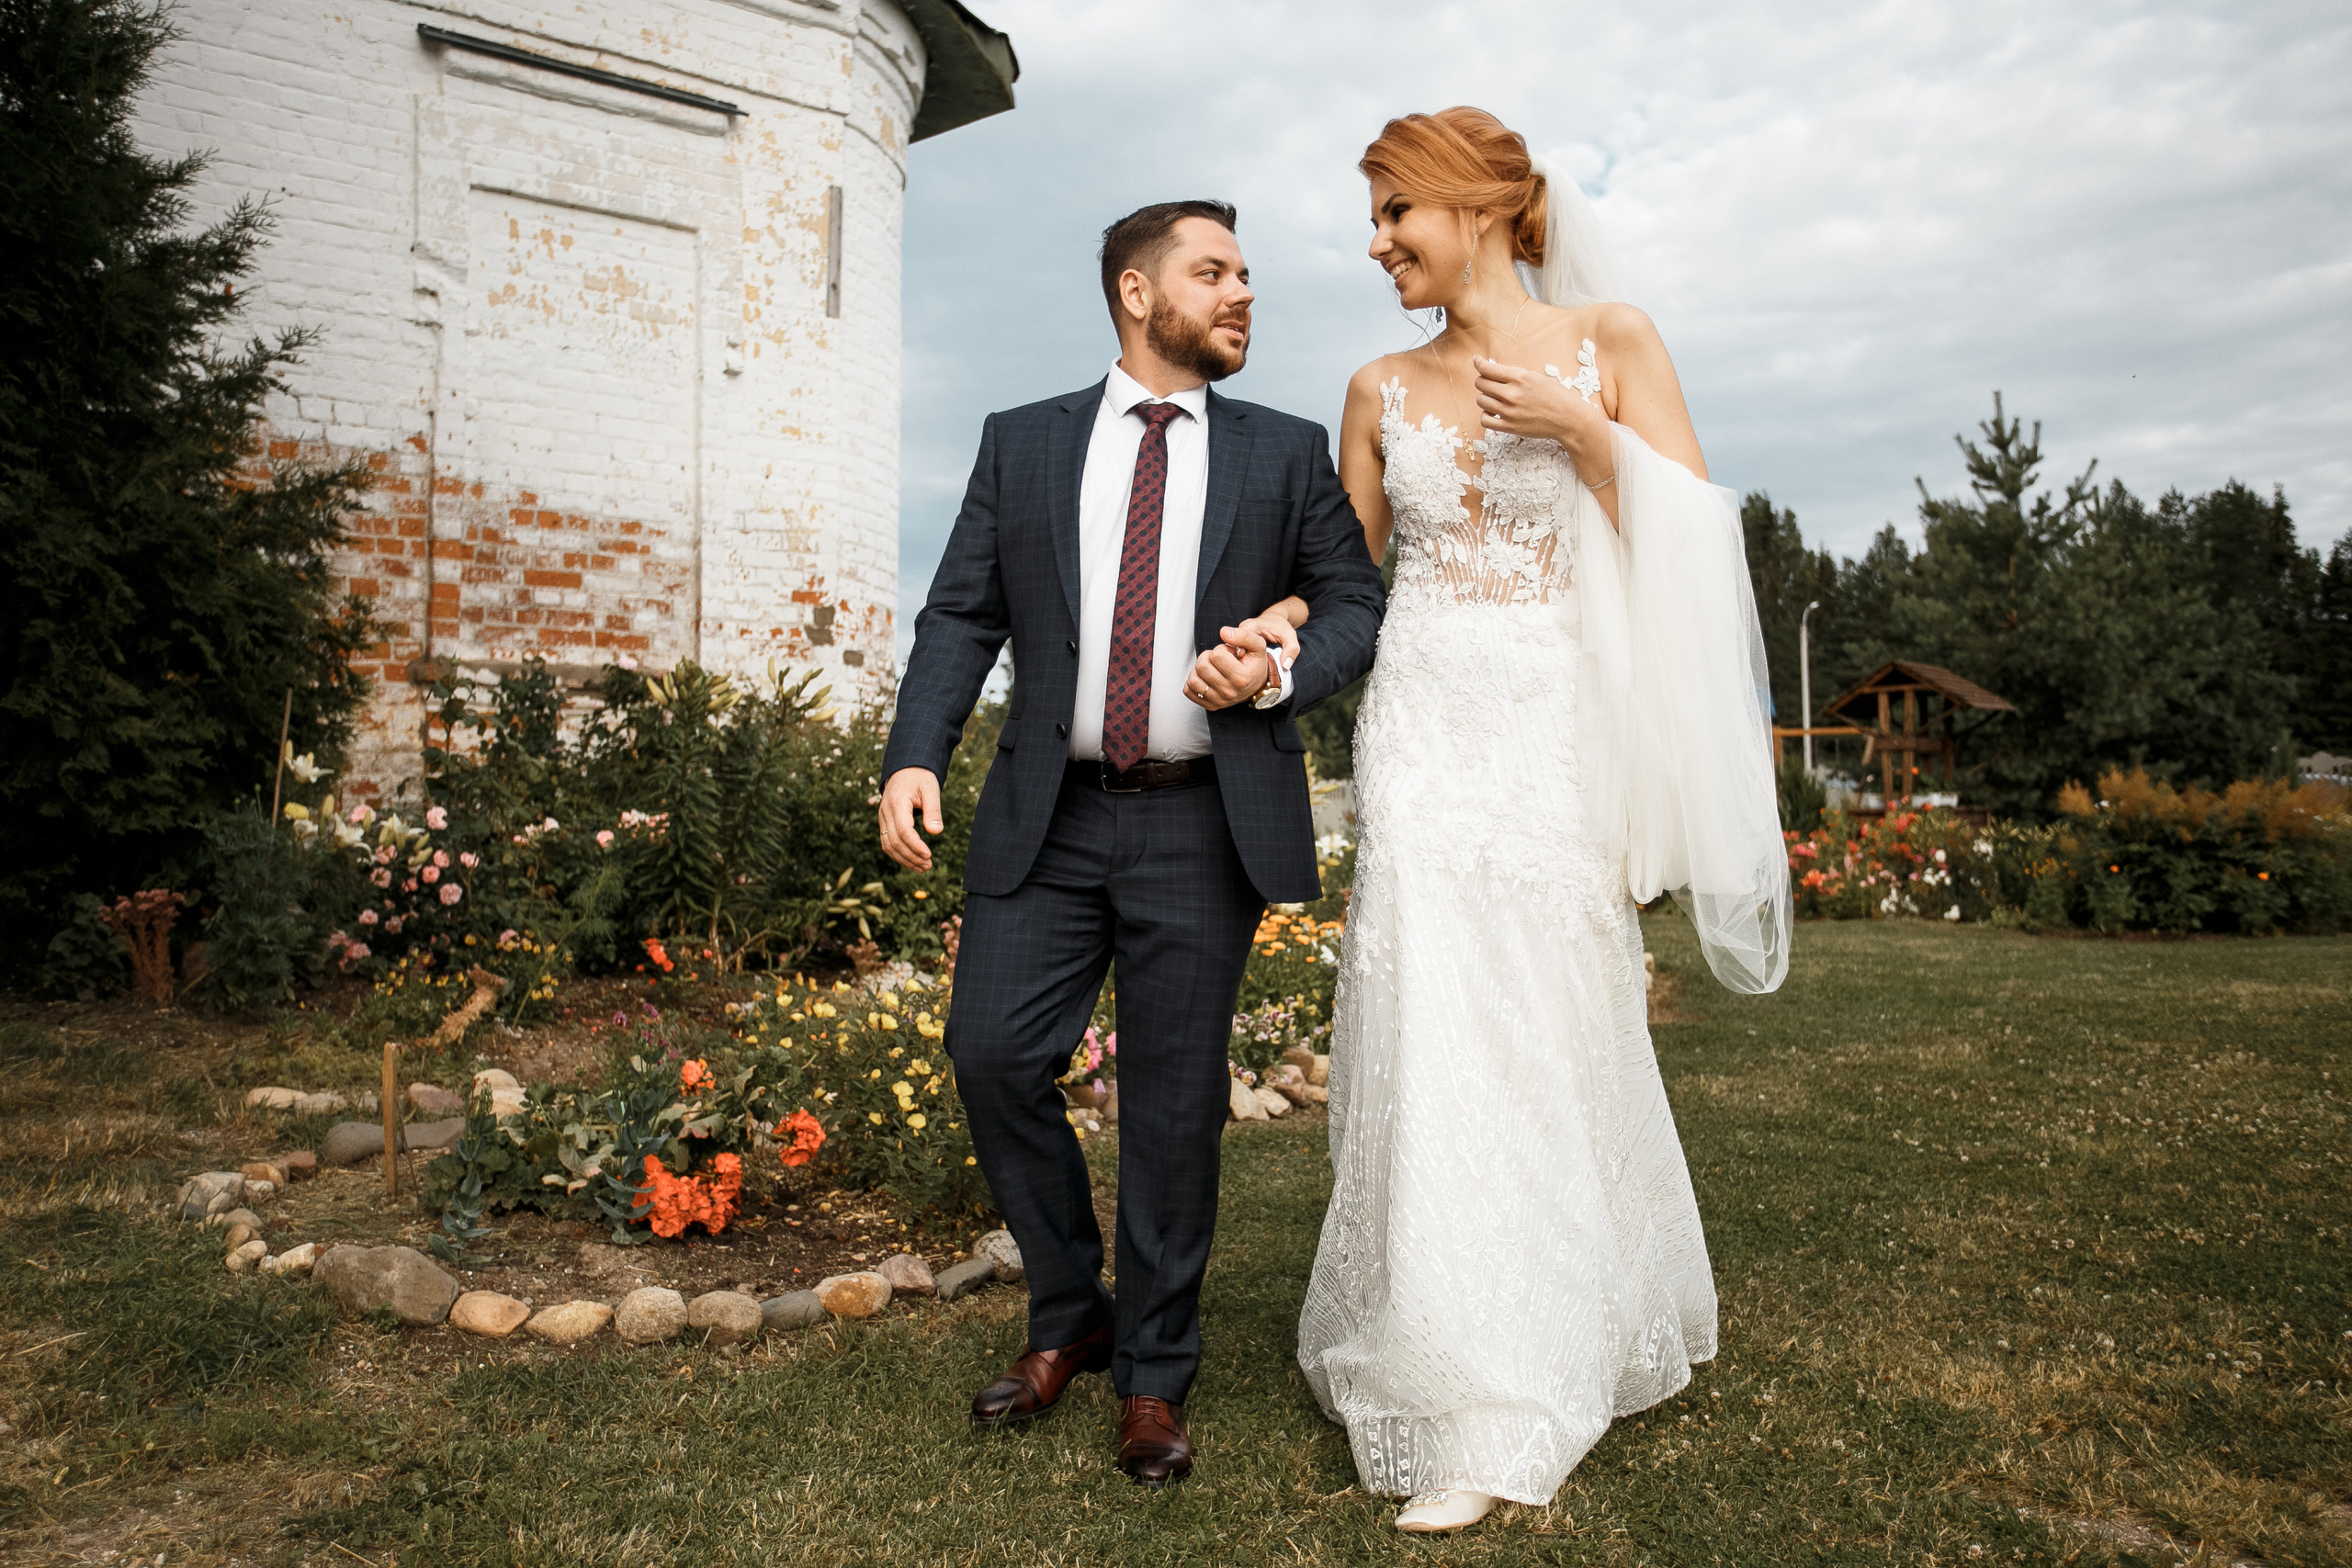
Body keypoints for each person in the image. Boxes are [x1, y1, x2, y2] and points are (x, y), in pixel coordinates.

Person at [1237, 108, 1792, 1533]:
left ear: (1474, 207)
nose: (1375, 246)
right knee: (1429, 1026)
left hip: (1554, 728)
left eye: (1391, 215)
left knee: (1544, 1025)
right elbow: (1344, 580)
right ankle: (1440, 1350)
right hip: (1422, 729)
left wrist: (1585, 433)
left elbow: (1701, 535)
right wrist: (1272, 648)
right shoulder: (1374, 386)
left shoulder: (1612, 338)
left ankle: (1528, 1373)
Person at [876, 201, 1386, 1488]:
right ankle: (1071, 1309)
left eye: (1248, 275)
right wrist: (915, 753)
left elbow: (1355, 605)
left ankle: (1154, 1373)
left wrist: (1274, 673)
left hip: (1200, 821)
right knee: (991, 1054)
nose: (1242, 293)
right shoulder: (1025, 443)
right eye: (1212, 272)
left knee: (1171, 1109)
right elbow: (959, 613)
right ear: (1135, 293)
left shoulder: (1283, 451)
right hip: (1048, 814)